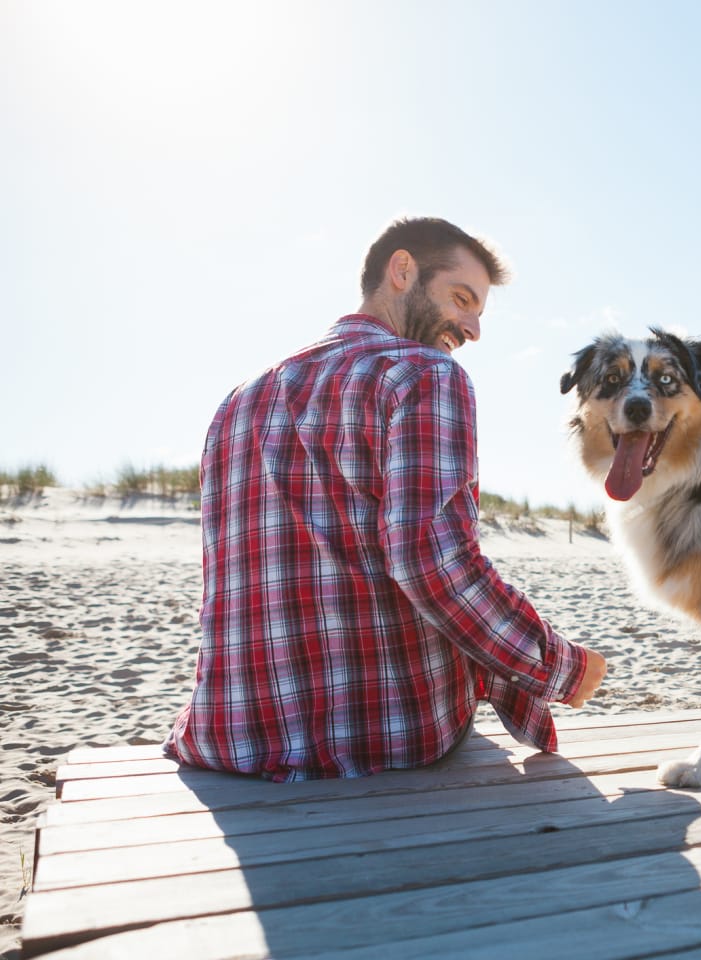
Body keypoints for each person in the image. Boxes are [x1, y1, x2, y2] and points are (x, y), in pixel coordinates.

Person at [165, 217, 608, 782]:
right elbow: (433, 564)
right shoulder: (423, 374)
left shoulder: (238, 401)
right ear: (402, 271)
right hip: (389, 734)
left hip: (230, 736)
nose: (473, 329)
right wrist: (562, 668)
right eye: (461, 298)